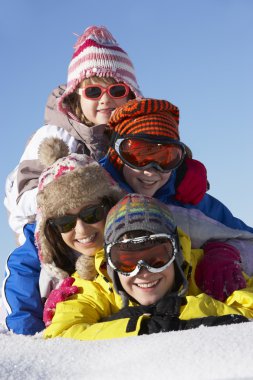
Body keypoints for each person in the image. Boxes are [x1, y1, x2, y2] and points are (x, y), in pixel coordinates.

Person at [4, 25, 206, 246]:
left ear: (130, 95)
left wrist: (183, 171)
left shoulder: (132, 136)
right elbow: (23, 199)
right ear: (76, 97)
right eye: (93, 92)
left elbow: (160, 157)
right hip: (53, 233)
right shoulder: (56, 135)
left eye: (116, 90)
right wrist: (69, 189)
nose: (105, 100)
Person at [44, 194, 250, 341]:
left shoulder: (208, 271)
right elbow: (61, 336)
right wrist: (144, 327)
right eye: (126, 261)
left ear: (176, 253)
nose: (143, 271)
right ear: (110, 264)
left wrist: (185, 312)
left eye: (156, 257)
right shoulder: (93, 288)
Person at [100, 97, 253, 293]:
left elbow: (248, 240)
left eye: (166, 157)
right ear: (117, 156)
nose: (151, 170)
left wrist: (226, 253)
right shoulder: (97, 199)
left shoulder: (190, 203)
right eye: (138, 155)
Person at [1, 137, 124, 335]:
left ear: (110, 207)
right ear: (51, 227)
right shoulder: (37, 269)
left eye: (91, 214)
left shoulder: (135, 249)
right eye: (65, 222)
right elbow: (22, 319)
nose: (82, 230)